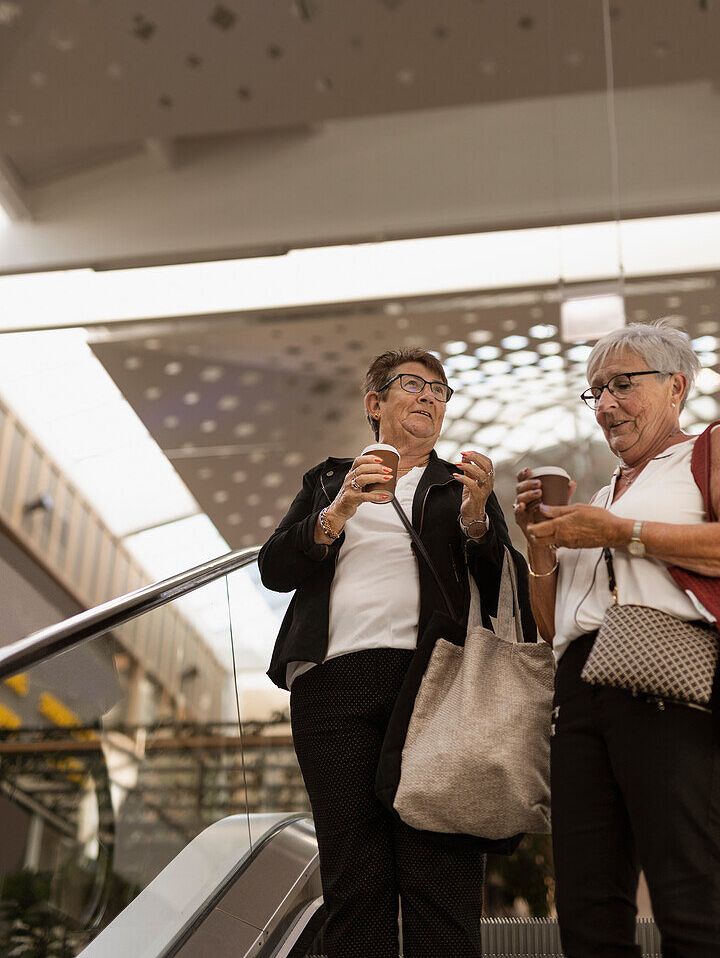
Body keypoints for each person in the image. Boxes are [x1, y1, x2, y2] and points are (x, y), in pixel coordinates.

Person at [259, 347, 533, 958]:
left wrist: (477, 524)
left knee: (439, 876)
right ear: (375, 403)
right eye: (414, 384)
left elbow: (503, 588)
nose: (430, 397)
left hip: (434, 684)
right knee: (355, 878)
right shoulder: (330, 478)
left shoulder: (459, 485)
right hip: (331, 684)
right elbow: (275, 569)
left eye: (440, 390)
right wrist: (337, 513)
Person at [514, 320, 720, 958]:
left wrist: (620, 532)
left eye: (622, 385)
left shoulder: (703, 452)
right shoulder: (602, 497)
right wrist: (541, 543)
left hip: (663, 676)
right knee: (586, 909)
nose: (605, 405)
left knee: (688, 892)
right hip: (577, 694)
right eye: (595, 392)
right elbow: (551, 627)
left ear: (675, 387)